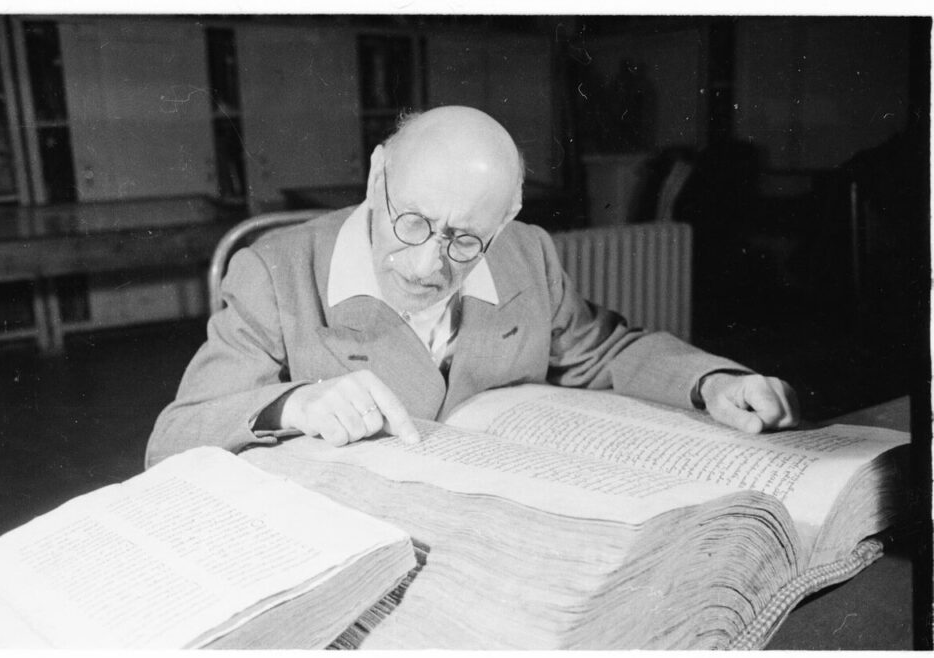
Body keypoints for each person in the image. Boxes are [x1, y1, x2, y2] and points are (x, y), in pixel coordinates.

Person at [146, 106, 798, 468]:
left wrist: (713, 382)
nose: (428, 266)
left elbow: (604, 350)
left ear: (506, 219)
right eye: (412, 221)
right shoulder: (273, 274)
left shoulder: (526, 253)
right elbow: (173, 437)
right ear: (376, 177)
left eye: (464, 240)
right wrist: (291, 405)